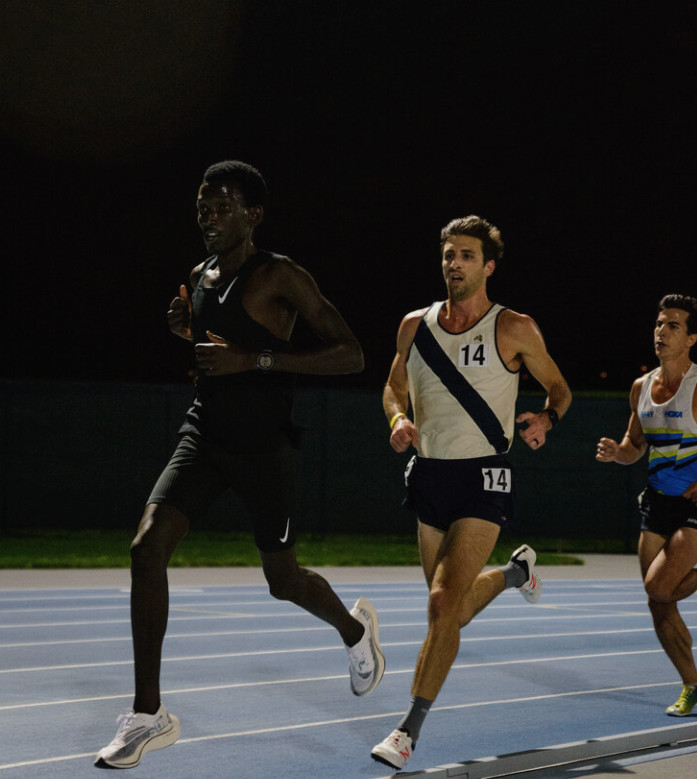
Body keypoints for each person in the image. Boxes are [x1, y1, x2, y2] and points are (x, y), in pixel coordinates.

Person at [95, 161, 385, 769]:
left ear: (253, 215)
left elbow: (352, 355)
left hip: (262, 447)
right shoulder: (198, 276)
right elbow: (215, 354)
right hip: (204, 435)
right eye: (203, 206)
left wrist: (258, 361)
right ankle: (148, 714)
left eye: (222, 207)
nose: (208, 216)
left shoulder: (280, 275)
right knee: (146, 548)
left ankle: (355, 631)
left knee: (283, 580)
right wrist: (188, 332)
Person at [370, 215, 572, 770]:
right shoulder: (414, 326)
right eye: (448, 254)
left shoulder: (514, 327)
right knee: (451, 613)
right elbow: (393, 386)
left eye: (466, 255)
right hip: (430, 476)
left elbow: (559, 388)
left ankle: (407, 731)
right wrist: (397, 419)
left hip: (485, 477)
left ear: (488, 266)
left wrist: (546, 419)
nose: (454, 263)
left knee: (440, 605)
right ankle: (515, 574)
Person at [596, 293, 697, 717]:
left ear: (691, 338)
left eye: (673, 325)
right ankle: (691, 684)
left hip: (692, 505)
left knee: (658, 587)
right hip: (656, 502)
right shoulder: (641, 387)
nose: (662, 332)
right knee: (659, 602)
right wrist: (616, 453)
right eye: (659, 324)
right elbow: (634, 445)